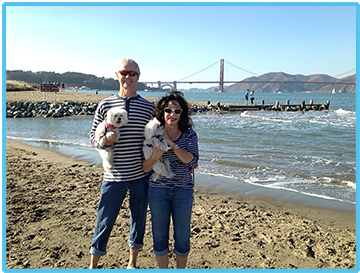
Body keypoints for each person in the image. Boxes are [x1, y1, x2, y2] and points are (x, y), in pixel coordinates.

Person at [88, 58, 155, 269]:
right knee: (104, 221)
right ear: (116, 75)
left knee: (139, 221)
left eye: (132, 73)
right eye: (123, 72)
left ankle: (132, 263)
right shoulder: (105, 104)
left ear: (138, 77)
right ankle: (93, 265)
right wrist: (104, 141)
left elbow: (155, 137)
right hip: (113, 176)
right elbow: (92, 137)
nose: (128, 77)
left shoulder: (148, 107)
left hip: (140, 176)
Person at [143, 92, 199, 269]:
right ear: (162, 112)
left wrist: (172, 145)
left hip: (183, 191)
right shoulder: (152, 133)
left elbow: (193, 161)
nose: (172, 114)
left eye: (177, 110)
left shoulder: (190, 135)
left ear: (182, 114)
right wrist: (157, 153)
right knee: (159, 236)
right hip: (157, 190)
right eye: (168, 110)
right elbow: (145, 167)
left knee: (182, 237)